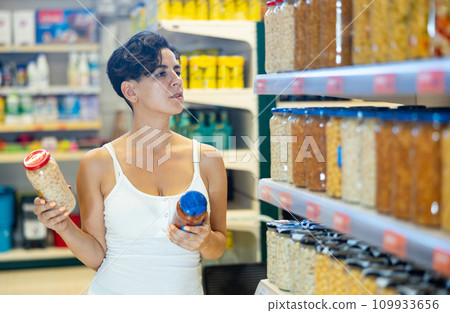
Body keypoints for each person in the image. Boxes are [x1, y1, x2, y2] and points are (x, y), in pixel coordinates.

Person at [33, 31, 227, 295]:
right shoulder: (99, 163)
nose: (177, 80)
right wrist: (63, 226)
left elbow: (218, 248)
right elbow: (97, 257)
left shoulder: (208, 159)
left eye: (177, 70)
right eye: (161, 73)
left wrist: (205, 240)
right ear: (130, 91)